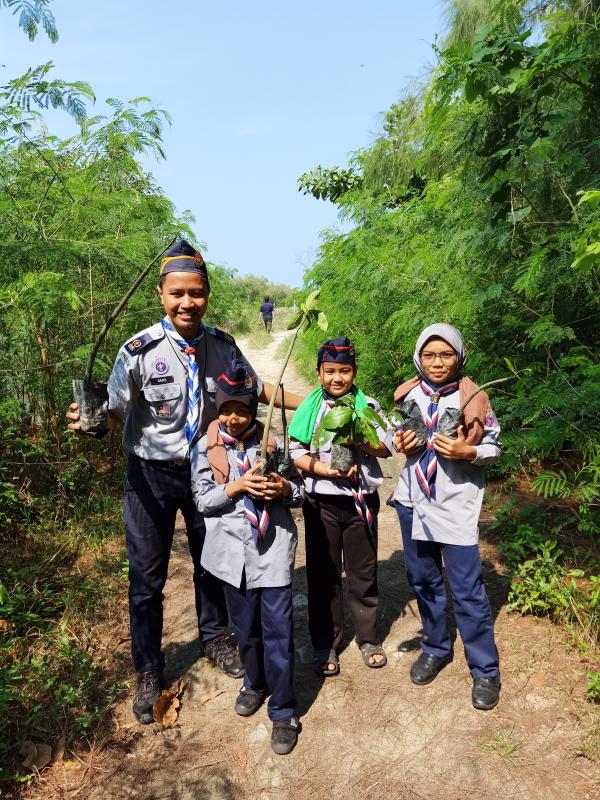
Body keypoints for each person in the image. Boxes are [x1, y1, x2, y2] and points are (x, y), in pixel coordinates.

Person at [66, 239, 303, 725]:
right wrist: (90, 419)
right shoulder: (138, 351)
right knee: (146, 579)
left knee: (213, 562)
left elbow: (260, 391)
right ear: (161, 294)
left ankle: (216, 636)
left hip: (208, 468)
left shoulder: (223, 345)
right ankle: (149, 670)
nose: (186, 302)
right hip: (150, 476)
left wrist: (320, 398)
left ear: (207, 293)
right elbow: (113, 410)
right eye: (177, 293)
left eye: (195, 292)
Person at [191, 360, 304, 755]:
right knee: (247, 631)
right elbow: (203, 500)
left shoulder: (274, 444)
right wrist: (236, 486)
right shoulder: (206, 449)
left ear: (255, 408)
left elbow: (301, 493)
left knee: (278, 632)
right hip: (228, 557)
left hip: (270, 551)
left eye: (242, 409)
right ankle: (254, 683)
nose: (235, 418)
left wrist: (284, 489)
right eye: (226, 410)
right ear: (216, 410)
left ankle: (284, 709)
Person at [391, 322, 501, 710]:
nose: (437, 363)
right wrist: (399, 441)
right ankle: (436, 647)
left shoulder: (474, 399)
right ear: (418, 358)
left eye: (446, 354)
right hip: (413, 502)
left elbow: (493, 447)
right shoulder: (408, 395)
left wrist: (467, 453)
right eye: (429, 355)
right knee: (423, 581)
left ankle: (485, 669)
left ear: (459, 357)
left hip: (455, 505)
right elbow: (394, 437)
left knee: (468, 589)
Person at [289, 337, 392, 676]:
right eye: (329, 371)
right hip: (321, 503)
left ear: (354, 372)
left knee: (363, 573)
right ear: (318, 373)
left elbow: (387, 448)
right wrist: (325, 469)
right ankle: (325, 643)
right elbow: (296, 453)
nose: (337, 378)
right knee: (323, 574)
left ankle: (367, 638)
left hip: (361, 501)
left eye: (344, 371)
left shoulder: (368, 405)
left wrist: (359, 439)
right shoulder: (309, 408)